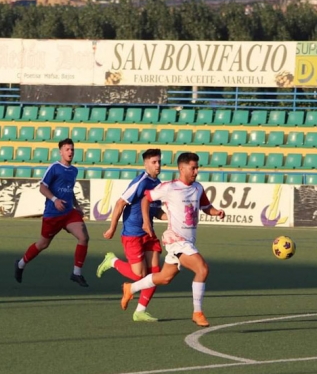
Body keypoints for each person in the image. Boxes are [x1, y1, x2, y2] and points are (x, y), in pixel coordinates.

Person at [120, 152, 225, 327]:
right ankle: (197, 312)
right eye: (193, 168)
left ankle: (130, 288)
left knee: (164, 277)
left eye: (197, 167)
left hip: (188, 241)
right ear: (181, 168)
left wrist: (216, 212)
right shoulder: (169, 188)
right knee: (202, 269)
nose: (196, 171)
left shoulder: (198, 188)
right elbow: (146, 199)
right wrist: (146, 221)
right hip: (176, 240)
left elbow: (206, 206)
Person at [96, 149, 166, 322]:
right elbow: (120, 203)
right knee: (139, 276)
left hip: (148, 233)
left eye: (159, 162)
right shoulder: (140, 182)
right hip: (133, 234)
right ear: (145, 164)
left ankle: (140, 311)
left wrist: (175, 218)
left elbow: (156, 211)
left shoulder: (158, 184)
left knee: (155, 273)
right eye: (154, 162)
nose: (158, 165)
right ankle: (112, 261)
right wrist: (112, 228)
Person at [14, 138, 90, 287]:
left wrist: (77, 206)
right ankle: (21, 264)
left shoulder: (74, 170)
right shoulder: (54, 168)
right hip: (53, 214)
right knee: (42, 244)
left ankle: (76, 273)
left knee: (84, 237)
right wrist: (55, 199)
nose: (70, 152)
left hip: (68, 212)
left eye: (72, 149)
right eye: (67, 149)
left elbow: (70, 190)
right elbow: (42, 187)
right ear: (60, 152)